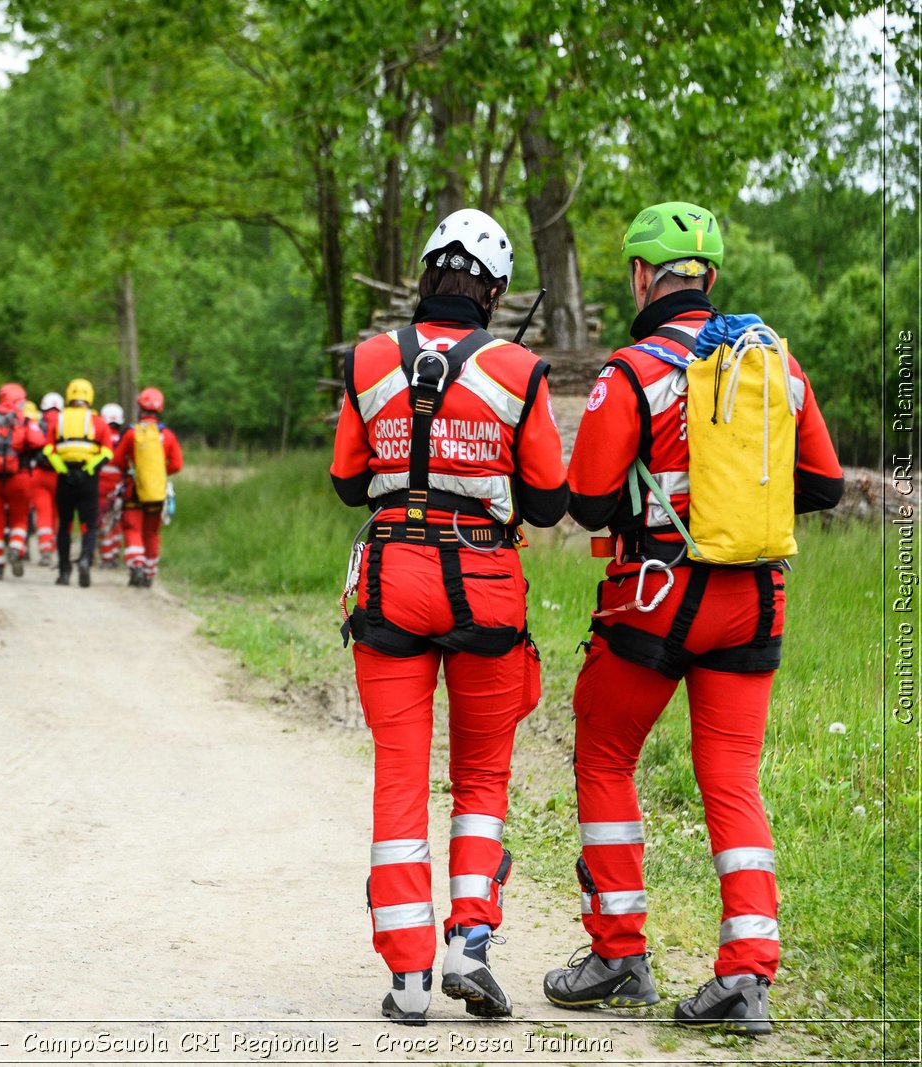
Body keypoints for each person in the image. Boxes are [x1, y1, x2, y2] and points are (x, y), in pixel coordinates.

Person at [542, 201, 844, 1034]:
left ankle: (619, 952)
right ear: (711, 279)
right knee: (732, 780)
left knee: (605, 754)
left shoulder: (630, 371)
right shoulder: (776, 364)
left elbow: (590, 503)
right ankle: (747, 974)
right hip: (755, 603)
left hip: (655, 600)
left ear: (644, 276)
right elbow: (823, 486)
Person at [330, 208, 569, 1024]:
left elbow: (345, 480)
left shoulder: (369, 360)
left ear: (428, 272)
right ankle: (471, 943)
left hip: (392, 576)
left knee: (400, 775)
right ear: (496, 292)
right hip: (486, 581)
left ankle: (406, 978)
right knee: (481, 775)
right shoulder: (519, 369)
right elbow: (545, 504)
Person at [42, 378, 115, 588]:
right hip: (88, 480)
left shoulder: (60, 420)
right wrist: (87, 471)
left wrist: (63, 470)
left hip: (64, 479)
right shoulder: (98, 422)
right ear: (89, 397)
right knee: (88, 525)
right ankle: (84, 559)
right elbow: (107, 452)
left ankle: (64, 571)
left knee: (64, 525)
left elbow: (48, 450)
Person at [0, 383, 46, 579]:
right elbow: (38, 441)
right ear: (19, 401)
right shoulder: (23, 421)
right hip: (19, 477)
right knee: (19, 519)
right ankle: (16, 548)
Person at [113, 389, 182, 588]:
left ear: (139, 407)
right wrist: (159, 473)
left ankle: (136, 565)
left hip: (134, 489)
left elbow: (118, 461)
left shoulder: (131, 433)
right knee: (152, 532)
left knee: (132, 527)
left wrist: (134, 470)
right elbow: (177, 464)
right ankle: (150, 573)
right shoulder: (167, 435)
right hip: (157, 491)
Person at [29, 392, 64, 565]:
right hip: (60, 473)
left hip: (39, 474)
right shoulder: (66, 424)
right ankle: (54, 545)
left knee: (43, 512)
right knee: (57, 513)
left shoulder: (38, 423)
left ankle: (45, 549)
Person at [97, 402, 129, 568]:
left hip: (101, 483)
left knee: (102, 519)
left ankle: (107, 556)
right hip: (119, 485)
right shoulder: (125, 437)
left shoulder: (100, 435)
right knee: (117, 519)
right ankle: (116, 552)